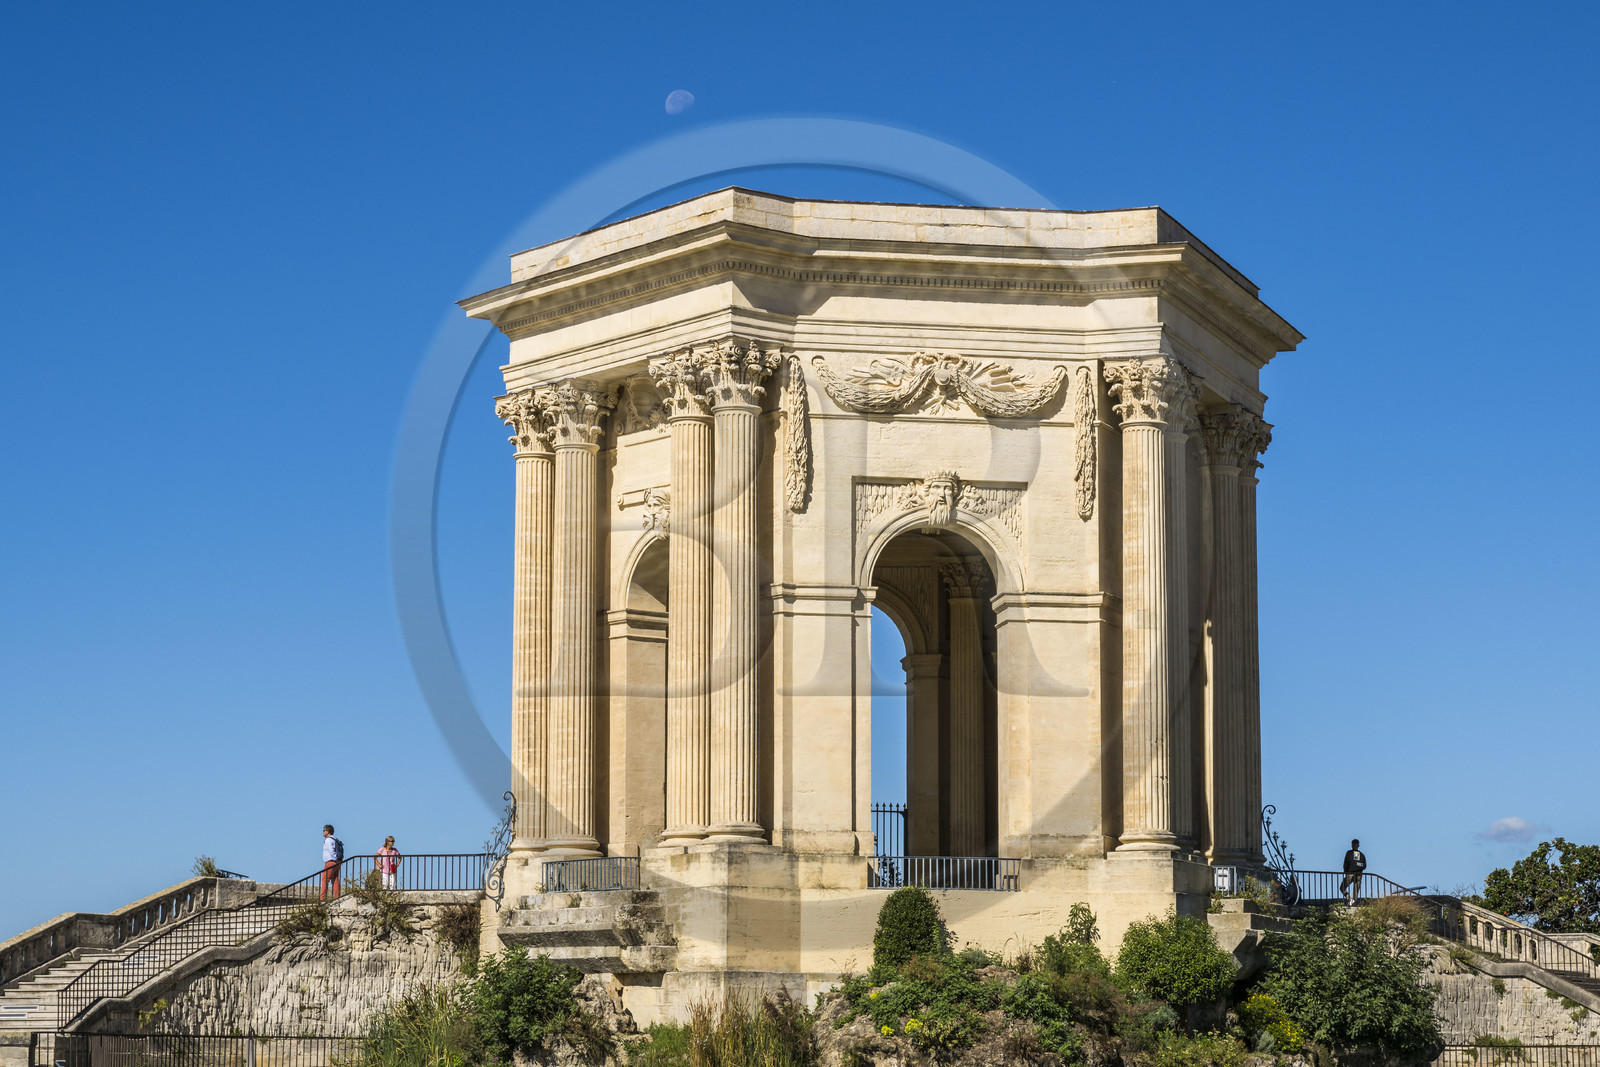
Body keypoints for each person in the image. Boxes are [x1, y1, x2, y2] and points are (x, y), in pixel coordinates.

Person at [1339, 838, 1366, 905]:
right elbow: (1365, 866)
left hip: (1350, 873)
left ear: (1352, 845)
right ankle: (1353, 901)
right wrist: (1359, 868)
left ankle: (1349, 898)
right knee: (1356, 889)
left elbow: (1346, 863)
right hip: (1359, 874)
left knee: (1342, 887)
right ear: (1358, 845)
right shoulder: (1362, 855)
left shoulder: (1349, 853)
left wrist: (1345, 871)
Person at [321, 824, 344, 901]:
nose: (323, 832)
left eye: (324, 830)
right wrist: (338, 860)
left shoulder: (328, 840)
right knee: (335, 880)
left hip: (331, 862)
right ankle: (337, 897)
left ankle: (323, 898)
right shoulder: (335, 839)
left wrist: (335, 858)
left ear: (328, 831)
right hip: (337, 863)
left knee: (325, 879)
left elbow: (331, 851)